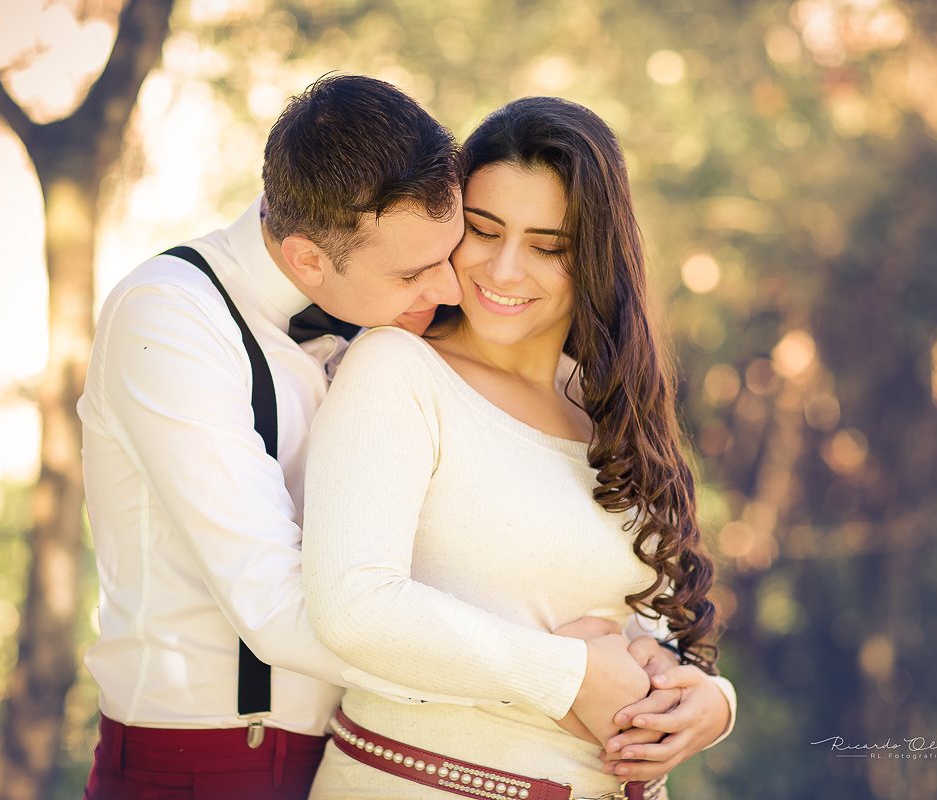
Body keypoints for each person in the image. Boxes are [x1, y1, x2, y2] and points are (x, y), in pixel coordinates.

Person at [78, 76, 695, 800]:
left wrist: (687, 690)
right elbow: (287, 609)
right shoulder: (171, 319)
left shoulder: (381, 310)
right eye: (416, 270)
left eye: (448, 248)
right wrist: (567, 670)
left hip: (345, 744)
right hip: (213, 757)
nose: (452, 286)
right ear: (310, 261)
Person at [302, 96, 735, 800]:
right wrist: (572, 674)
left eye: (547, 246)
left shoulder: (606, 404)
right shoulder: (398, 370)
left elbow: (646, 619)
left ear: (593, 258)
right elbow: (354, 605)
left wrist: (709, 705)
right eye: (482, 230)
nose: (504, 271)